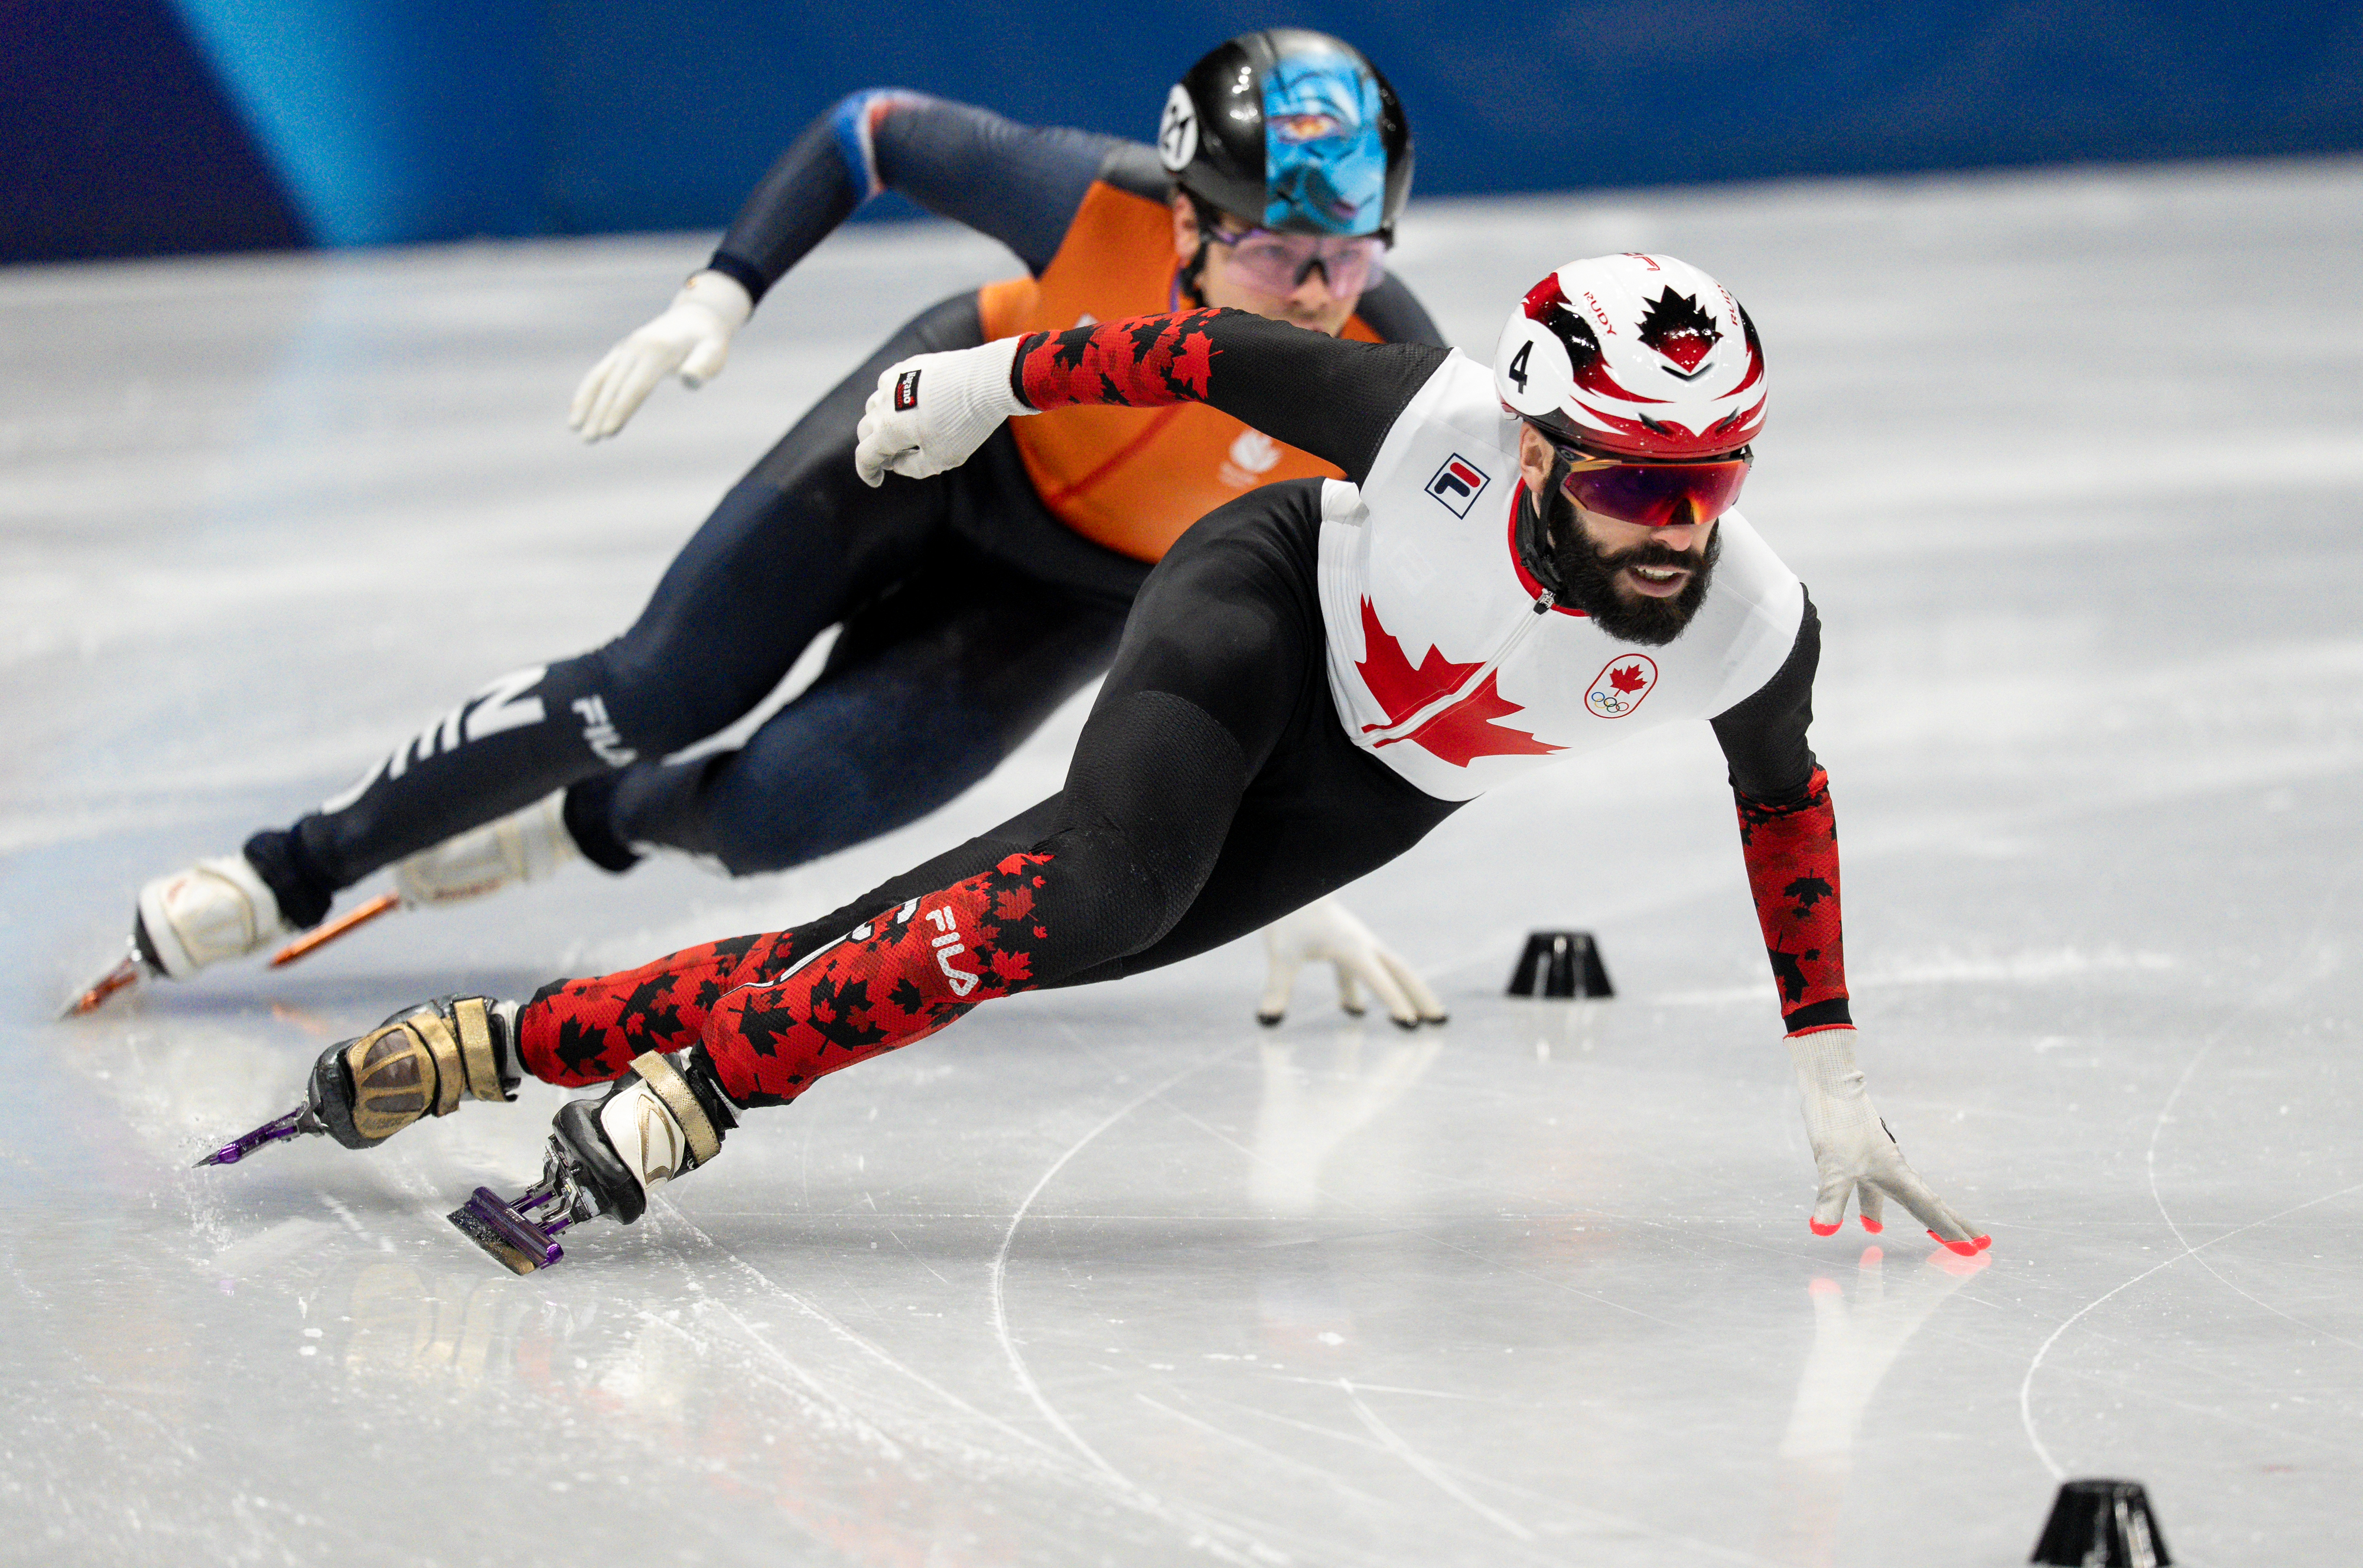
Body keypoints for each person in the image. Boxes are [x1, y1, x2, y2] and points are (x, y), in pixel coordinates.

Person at [211, 252, 1989, 1270]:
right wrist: (995, 386)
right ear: (1531, 451)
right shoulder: (1434, 421)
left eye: (1713, 480)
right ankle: (696, 1099)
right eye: (1633, 480)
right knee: (1096, 882)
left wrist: (1826, 1063)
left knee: (998, 921)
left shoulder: (1756, 622)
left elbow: (1786, 804)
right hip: (1263, 606)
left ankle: (522, 1039)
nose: (1677, 529)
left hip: (1367, 792)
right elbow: (1202, 347)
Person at [89, 30, 1446, 1029]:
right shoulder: (1089, 199)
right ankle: (291, 869)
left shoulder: (1385, 370)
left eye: (1354, 254)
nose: (1321, 296)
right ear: (1191, 218)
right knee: (654, 685)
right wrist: (718, 295)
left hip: (1072, 601)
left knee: (770, 819)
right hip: (932, 447)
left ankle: (591, 822)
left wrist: (1275, 858)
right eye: (1281, 252)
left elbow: (1350, 621)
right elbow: (872, 128)